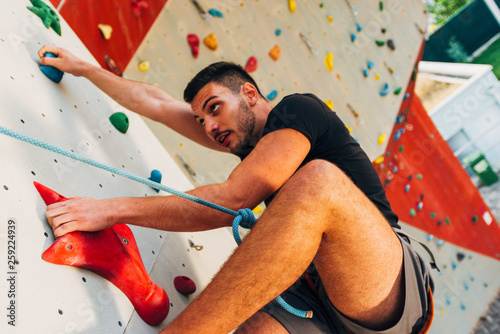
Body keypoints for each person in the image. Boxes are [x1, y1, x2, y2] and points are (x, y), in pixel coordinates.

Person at [38, 45, 435, 334]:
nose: (209, 127)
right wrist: (85, 69)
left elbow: (233, 199)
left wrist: (110, 210)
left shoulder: (298, 111)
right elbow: (154, 102)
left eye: (214, 108)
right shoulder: (246, 142)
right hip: (317, 300)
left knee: (318, 183)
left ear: (248, 94)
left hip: (384, 280)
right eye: (201, 119)